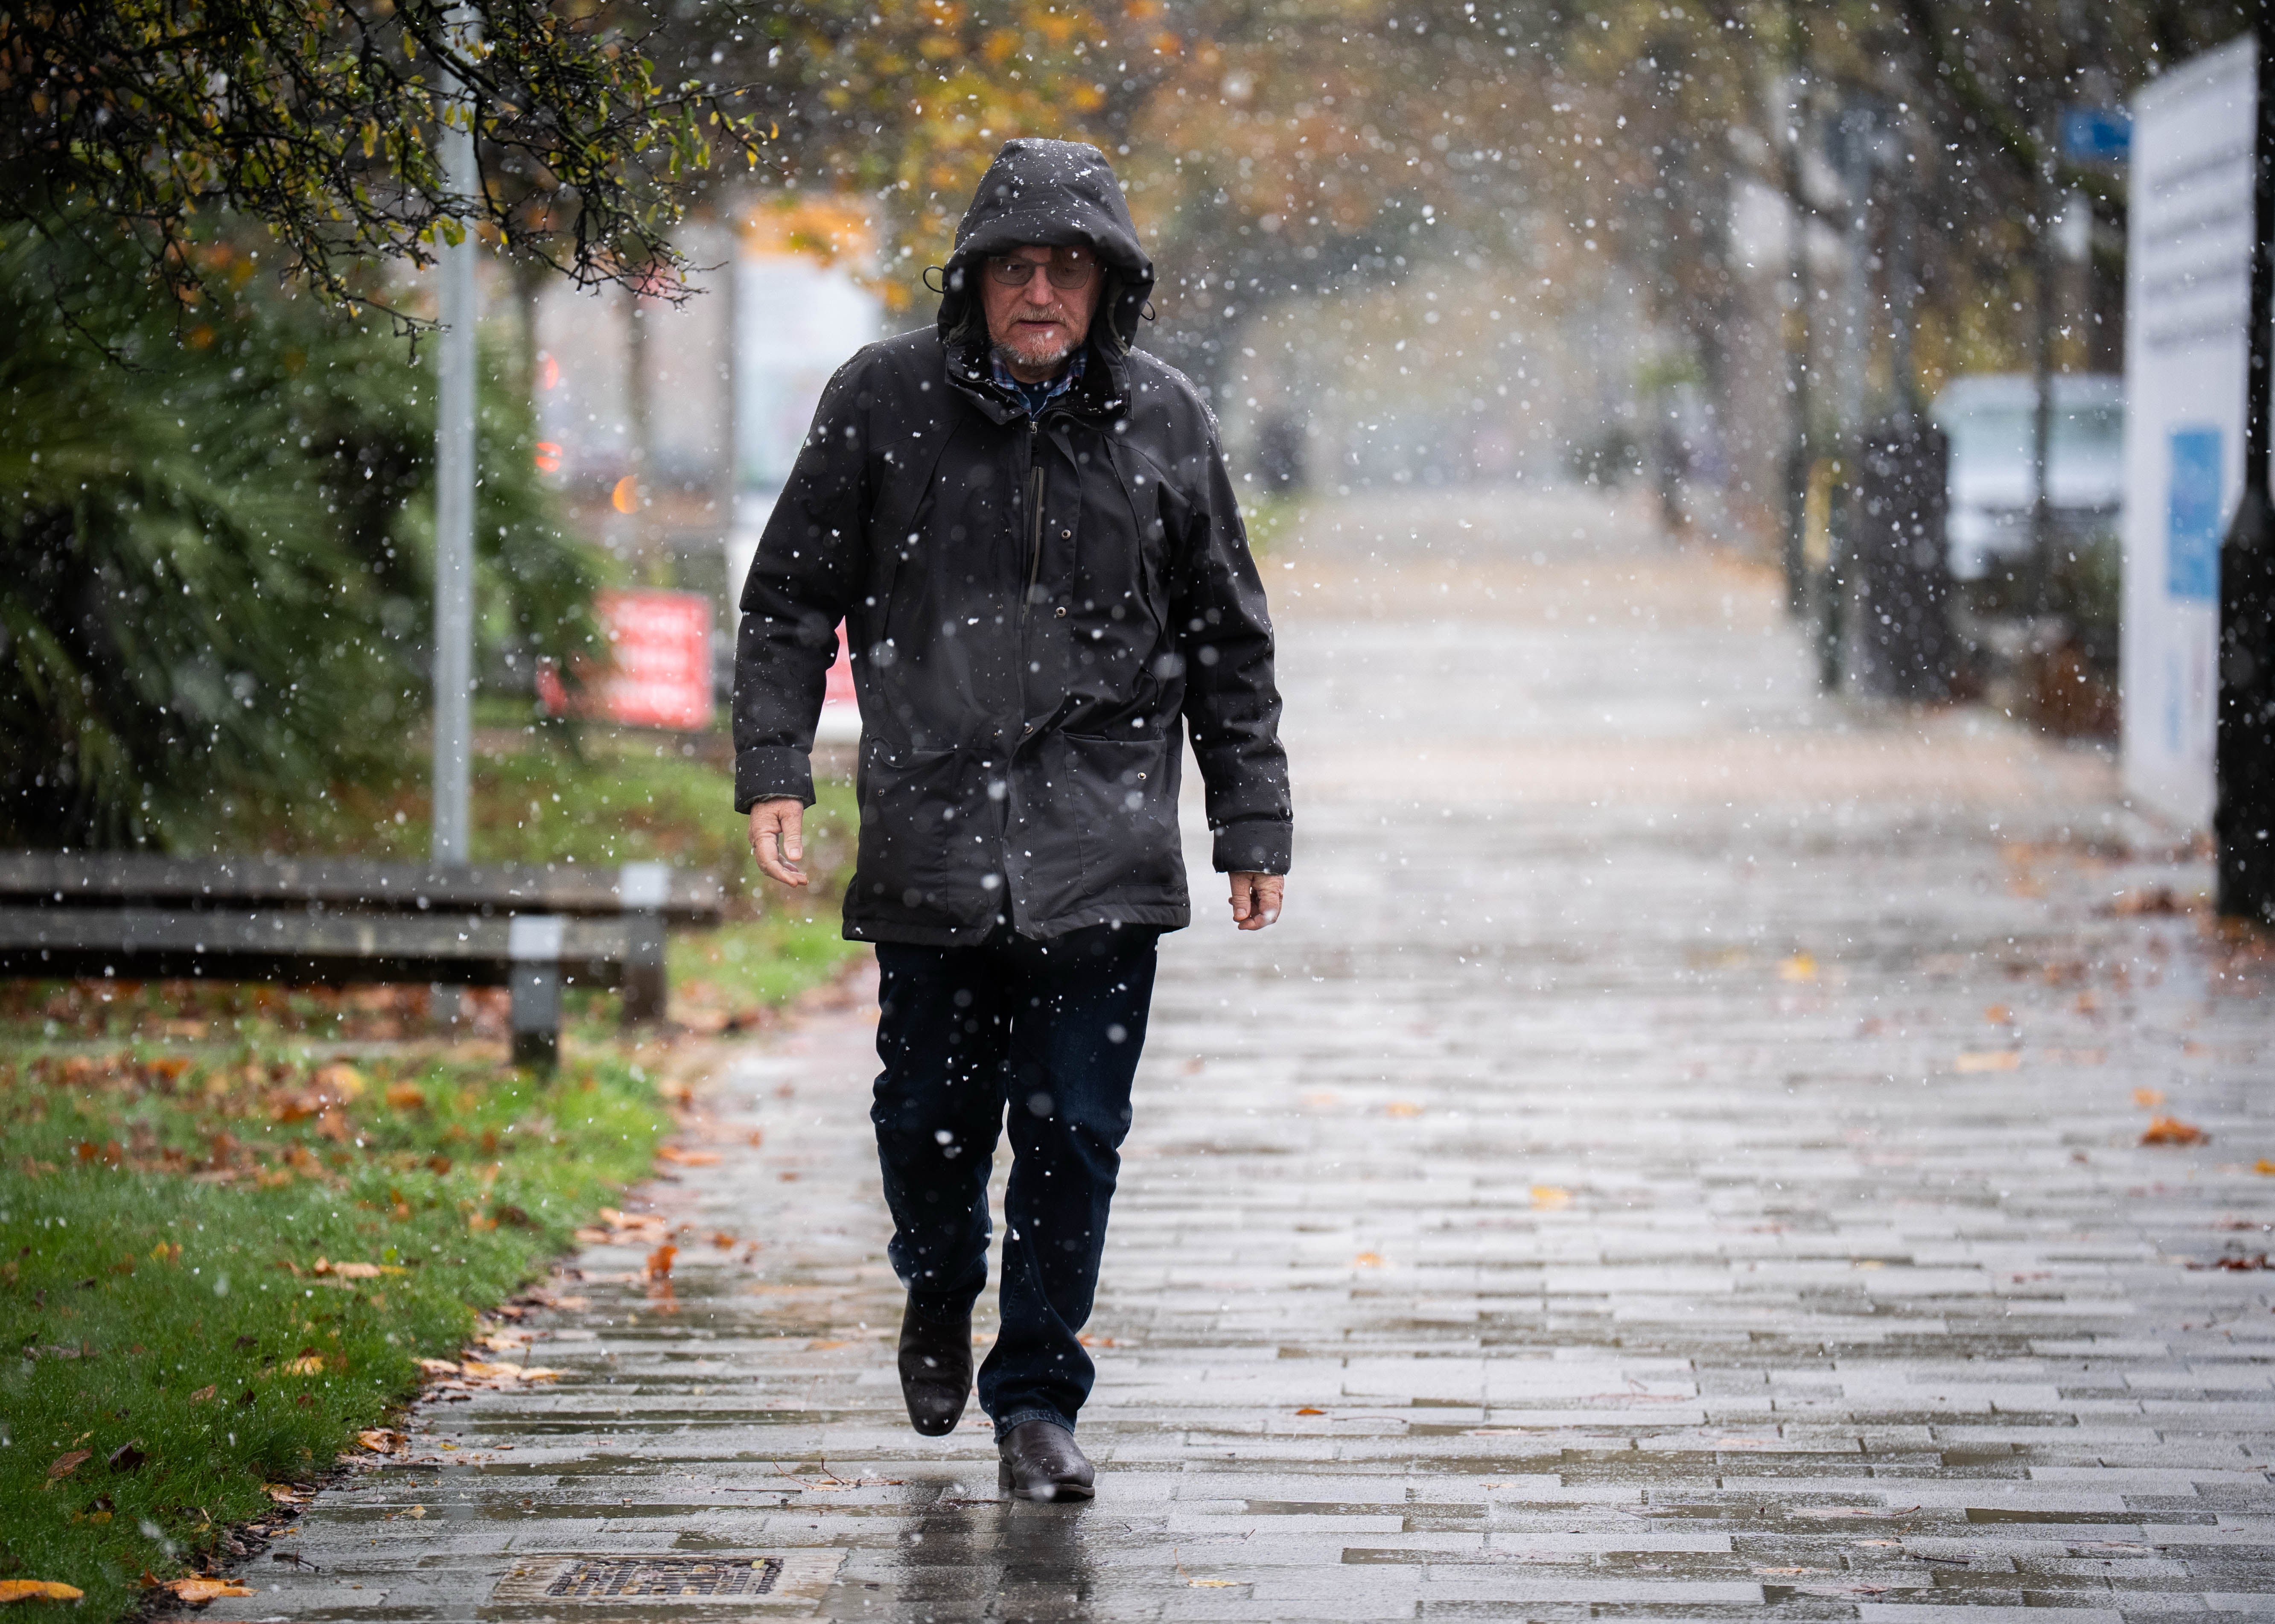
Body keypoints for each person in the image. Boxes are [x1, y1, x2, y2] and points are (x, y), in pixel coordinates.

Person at [732, 137, 1291, 1502]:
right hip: (931, 838)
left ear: (1109, 289)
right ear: (972, 283)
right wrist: (774, 768)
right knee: (925, 1119)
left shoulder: (1164, 422)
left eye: (1068, 270)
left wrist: (1251, 824)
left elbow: (1227, 638)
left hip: (1102, 853)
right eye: (1015, 269)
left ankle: (1037, 1396)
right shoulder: (881, 404)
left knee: (1073, 1134)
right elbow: (790, 600)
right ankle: (937, 1283)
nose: (1040, 292)